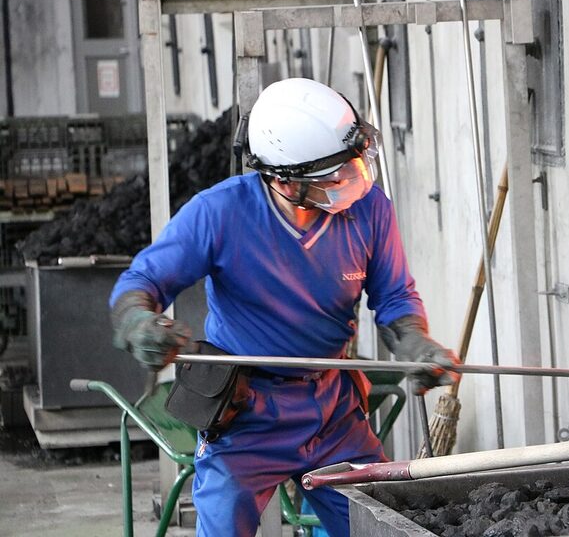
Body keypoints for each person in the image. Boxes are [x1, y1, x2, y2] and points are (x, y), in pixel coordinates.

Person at [108, 78, 460, 537]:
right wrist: (139, 321)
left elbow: (394, 298)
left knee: (384, 524)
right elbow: (140, 282)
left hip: (332, 408)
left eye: (354, 164)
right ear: (284, 180)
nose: (352, 181)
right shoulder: (220, 213)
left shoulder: (370, 209)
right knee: (224, 524)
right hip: (245, 412)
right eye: (333, 176)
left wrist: (415, 341)